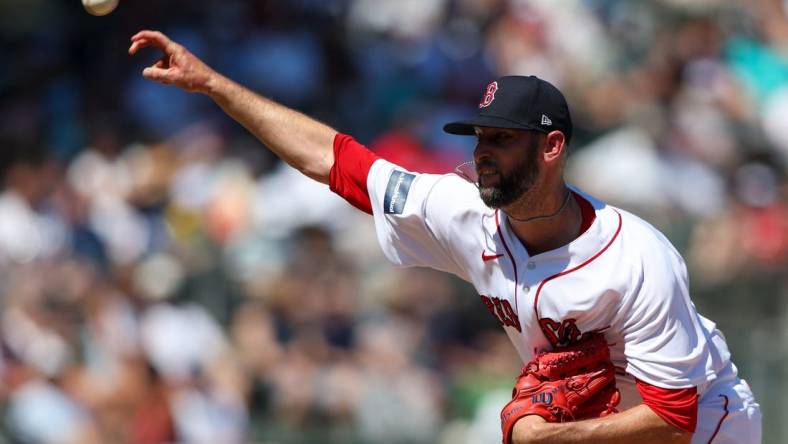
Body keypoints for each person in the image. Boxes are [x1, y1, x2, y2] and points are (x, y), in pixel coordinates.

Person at [128, 30, 762, 444]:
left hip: (710, 431)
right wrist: (214, 86)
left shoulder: (638, 258)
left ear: (552, 147)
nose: (482, 153)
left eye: (502, 140)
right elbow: (336, 161)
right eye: (479, 137)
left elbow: (674, 415)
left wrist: (546, 437)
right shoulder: (460, 210)